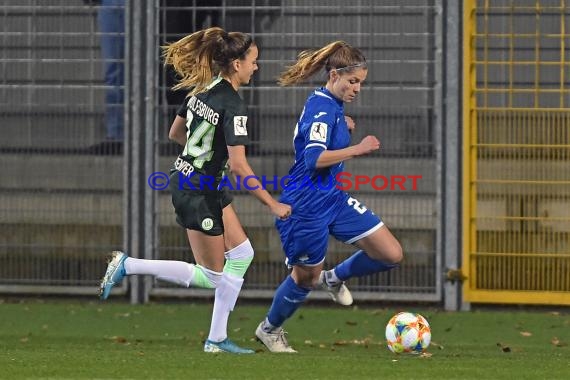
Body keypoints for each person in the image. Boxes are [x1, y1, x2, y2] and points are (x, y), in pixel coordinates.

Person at [99, 27, 292, 354]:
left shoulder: (201, 92)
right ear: (236, 65)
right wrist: (273, 205)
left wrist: (201, 157)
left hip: (201, 182)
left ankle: (216, 340)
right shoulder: (234, 106)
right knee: (212, 276)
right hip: (197, 190)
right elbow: (241, 167)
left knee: (242, 254)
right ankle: (127, 265)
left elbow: (175, 133)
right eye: (253, 61)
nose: (256, 67)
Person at [255, 41, 403, 353]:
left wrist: (342, 126)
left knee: (390, 254)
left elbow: (319, 135)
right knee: (305, 278)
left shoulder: (331, 106)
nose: (358, 88)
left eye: (361, 82)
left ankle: (334, 278)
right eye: (353, 81)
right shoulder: (323, 108)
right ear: (334, 75)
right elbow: (313, 159)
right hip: (306, 204)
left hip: (332, 197)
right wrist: (357, 147)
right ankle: (270, 329)